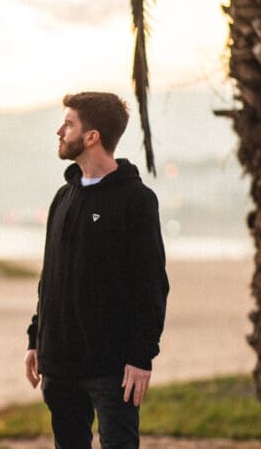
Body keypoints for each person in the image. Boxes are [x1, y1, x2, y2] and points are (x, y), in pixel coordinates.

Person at [24, 92, 169, 448]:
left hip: (113, 369)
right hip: (59, 364)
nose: (60, 131)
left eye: (69, 124)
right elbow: (51, 278)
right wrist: (36, 338)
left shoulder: (136, 200)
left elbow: (151, 285)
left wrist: (140, 357)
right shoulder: (63, 197)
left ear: (92, 137)